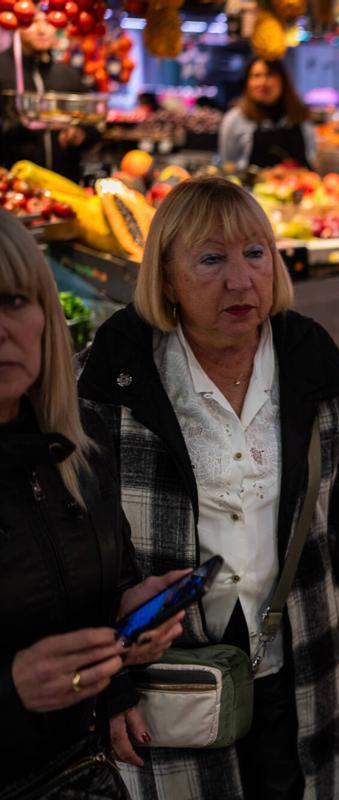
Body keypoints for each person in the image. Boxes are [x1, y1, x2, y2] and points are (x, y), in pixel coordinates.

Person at [76, 177, 339, 800]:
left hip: (298, 652)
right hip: (168, 672)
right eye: (212, 259)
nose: (241, 281)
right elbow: (85, 543)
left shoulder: (307, 356)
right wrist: (109, 682)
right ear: (165, 278)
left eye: (255, 254)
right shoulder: (119, 369)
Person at [0, 211, 184, 796]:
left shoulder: (79, 440)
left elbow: (110, 579)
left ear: (45, 316)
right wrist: (11, 691)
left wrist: (132, 619)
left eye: (12, 302)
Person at [0, 11, 102, 182]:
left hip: (65, 188)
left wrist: (80, 135)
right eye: (32, 22)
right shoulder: (2, 70)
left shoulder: (67, 74)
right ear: (17, 25)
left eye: (48, 22)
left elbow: (95, 128)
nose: (42, 30)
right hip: (11, 189)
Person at [217, 58, 315, 171]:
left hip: (301, 186)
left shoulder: (301, 116)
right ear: (247, 82)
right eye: (256, 76)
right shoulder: (234, 119)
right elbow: (228, 165)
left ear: (283, 79)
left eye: (270, 75)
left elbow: (311, 156)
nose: (263, 82)